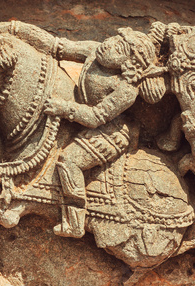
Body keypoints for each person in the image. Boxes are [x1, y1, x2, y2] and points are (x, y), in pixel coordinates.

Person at [44, 27, 167, 238]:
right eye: (114, 39)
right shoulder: (94, 52)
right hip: (81, 116)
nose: (109, 44)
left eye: (118, 47)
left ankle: (74, 222)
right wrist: (17, 30)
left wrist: (64, 109)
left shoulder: (126, 89)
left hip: (110, 133)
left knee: (69, 160)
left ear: (128, 65)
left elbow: (95, 117)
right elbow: (60, 46)